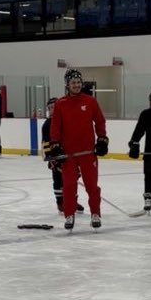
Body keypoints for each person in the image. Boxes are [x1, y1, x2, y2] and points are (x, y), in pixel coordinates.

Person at [47, 69, 108, 231]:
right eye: (73, 82)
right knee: (69, 186)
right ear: (67, 84)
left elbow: (100, 121)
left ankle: (95, 213)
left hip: (88, 153)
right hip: (68, 154)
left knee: (92, 186)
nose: (77, 85)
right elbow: (55, 127)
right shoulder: (61, 104)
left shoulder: (90, 101)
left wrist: (102, 139)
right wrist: (55, 146)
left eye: (79, 82)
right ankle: (69, 214)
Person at [41, 96, 83, 215]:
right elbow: (45, 144)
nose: (52, 109)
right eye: (50, 107)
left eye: (54, 107)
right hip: (56, 158)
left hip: (69, 157)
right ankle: (60, 203)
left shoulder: (66, 120)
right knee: (58, 181)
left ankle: (73, 201)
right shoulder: (47, 124)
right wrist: (52, 159)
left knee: (73, 180)